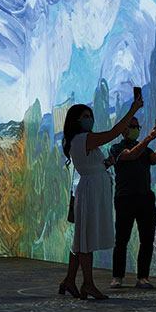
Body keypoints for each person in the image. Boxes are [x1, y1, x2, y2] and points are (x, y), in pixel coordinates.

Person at [58, 97, 142, 300]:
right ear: (76, 120)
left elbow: (90, 166)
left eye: (90, 115)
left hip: (92, 190)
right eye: (85, 116)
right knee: (85, 241)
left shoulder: (81, 141)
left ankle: (70, 280)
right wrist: (132, 110)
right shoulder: (83, 139)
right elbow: (113, 133)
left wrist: (106, 164)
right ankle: (87, 284)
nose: (90, 119)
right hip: (90, 192)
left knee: (81, 239)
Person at [109, 117, 156, 289]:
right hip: (125, 198)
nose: (135, 129)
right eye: (132, 126)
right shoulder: (116, 148)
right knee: (121, 240)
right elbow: (131, 155)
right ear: (123, 130)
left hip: (145, 198)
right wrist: (149, 138)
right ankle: (117, 277)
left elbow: (154, 159)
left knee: (147, 240)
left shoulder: (145, 148)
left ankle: (143, 277)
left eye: (137, 127)